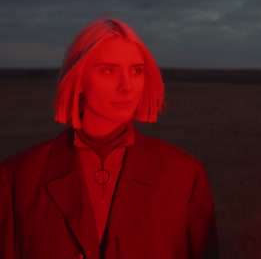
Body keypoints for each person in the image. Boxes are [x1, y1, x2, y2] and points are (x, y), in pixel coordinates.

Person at [0, 18, 218, 259]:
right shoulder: (17, 176)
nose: (127, 86)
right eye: (108, 70)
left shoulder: (184, 174)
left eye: (136, 71)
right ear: (78, 78)